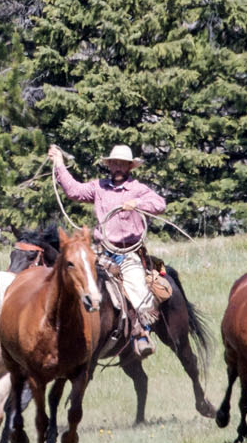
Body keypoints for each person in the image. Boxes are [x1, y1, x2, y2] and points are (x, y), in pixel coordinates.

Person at [47, 141, 165, 358]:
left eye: (122, 164)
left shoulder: (138, 189)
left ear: (129, 167)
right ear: (109, 165)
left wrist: (137, 203)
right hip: (101, 250)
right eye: (114, 163)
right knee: (78, 279)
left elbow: (160, 204)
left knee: (137, 288)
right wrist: (59, 164)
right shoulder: (98, 187)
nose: (118, 167)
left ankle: (141, 332)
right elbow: (74, 191)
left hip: (128, 252)